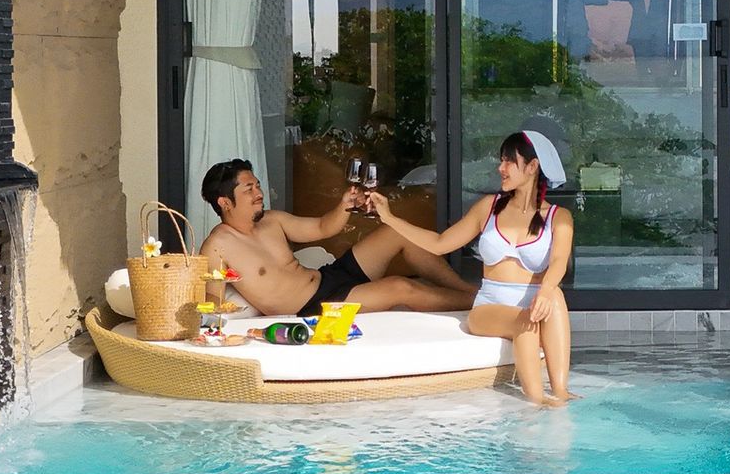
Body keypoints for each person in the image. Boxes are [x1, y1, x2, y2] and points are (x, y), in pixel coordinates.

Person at [365, 129, 575, 407]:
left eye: (509, 161)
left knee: (555, 296)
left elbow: (559, 261)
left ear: (533, 166)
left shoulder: (559, 218)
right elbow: (440, 244)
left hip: (538, 300)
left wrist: (547, 291)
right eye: (501, 160)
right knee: (526, 321)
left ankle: (561, 392)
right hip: (490, 307)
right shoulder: (488, 208)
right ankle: (537, 401)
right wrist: (390, 219)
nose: (501, 168)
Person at [197, 159, 475, 319]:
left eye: (257, 185)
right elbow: (212, 306)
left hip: (327, 278)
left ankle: (467, 291)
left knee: (394, 233)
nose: (259, 192)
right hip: (316, 306)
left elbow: (321, 228)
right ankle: (481, 304)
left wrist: (344, 204)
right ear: (225, 202)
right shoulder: (217, 247)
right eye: (249, 189)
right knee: (400, 287)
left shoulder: (272, 220)